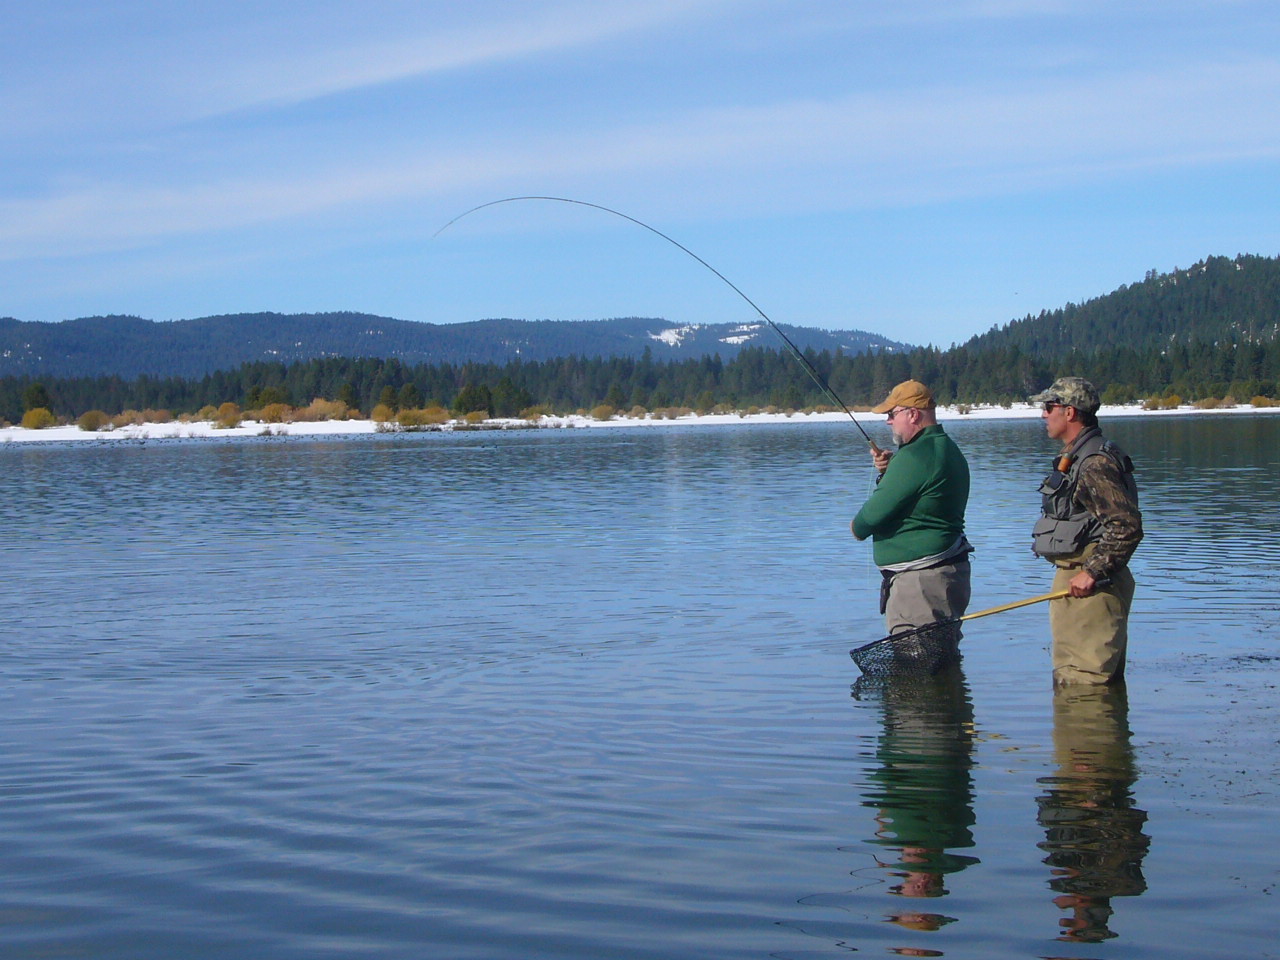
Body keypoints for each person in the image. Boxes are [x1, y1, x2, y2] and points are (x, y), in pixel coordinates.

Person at [1027, 377, 1143, 686]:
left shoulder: (1094, 463)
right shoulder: (1080, 455)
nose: (1043, 415)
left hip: (1091, 587)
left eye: (1048, 407)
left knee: (1084, 684)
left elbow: (1126, 525)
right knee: (1078, 681)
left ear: (1070, 412)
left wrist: (1091, 572)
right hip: (1080, 581)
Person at [852, 380, 972, 636]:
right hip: (941, 577)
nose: (888, 422)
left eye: (891, 414)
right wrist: (890, 471)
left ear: (913, 414)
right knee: (941, 665)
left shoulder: (915, 457)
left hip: (920, 586)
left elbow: (864, 523)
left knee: (915, 669)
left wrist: (856, 525)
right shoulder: (944, 447)